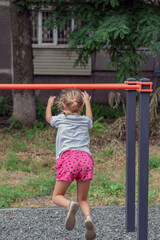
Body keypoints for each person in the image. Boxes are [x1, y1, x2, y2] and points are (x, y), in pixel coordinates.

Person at [46, 88, 96, 240]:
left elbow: (49, 118)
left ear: (63, 105)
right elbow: (90, 118)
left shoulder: (60, 119)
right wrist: (88, 102)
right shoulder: (85, 121)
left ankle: (69, 205)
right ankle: (88, 218)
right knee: (83, 199)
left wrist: (49, 104)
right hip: (85, 159)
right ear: (81, 106)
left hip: (69, 160)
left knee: (57, 196)